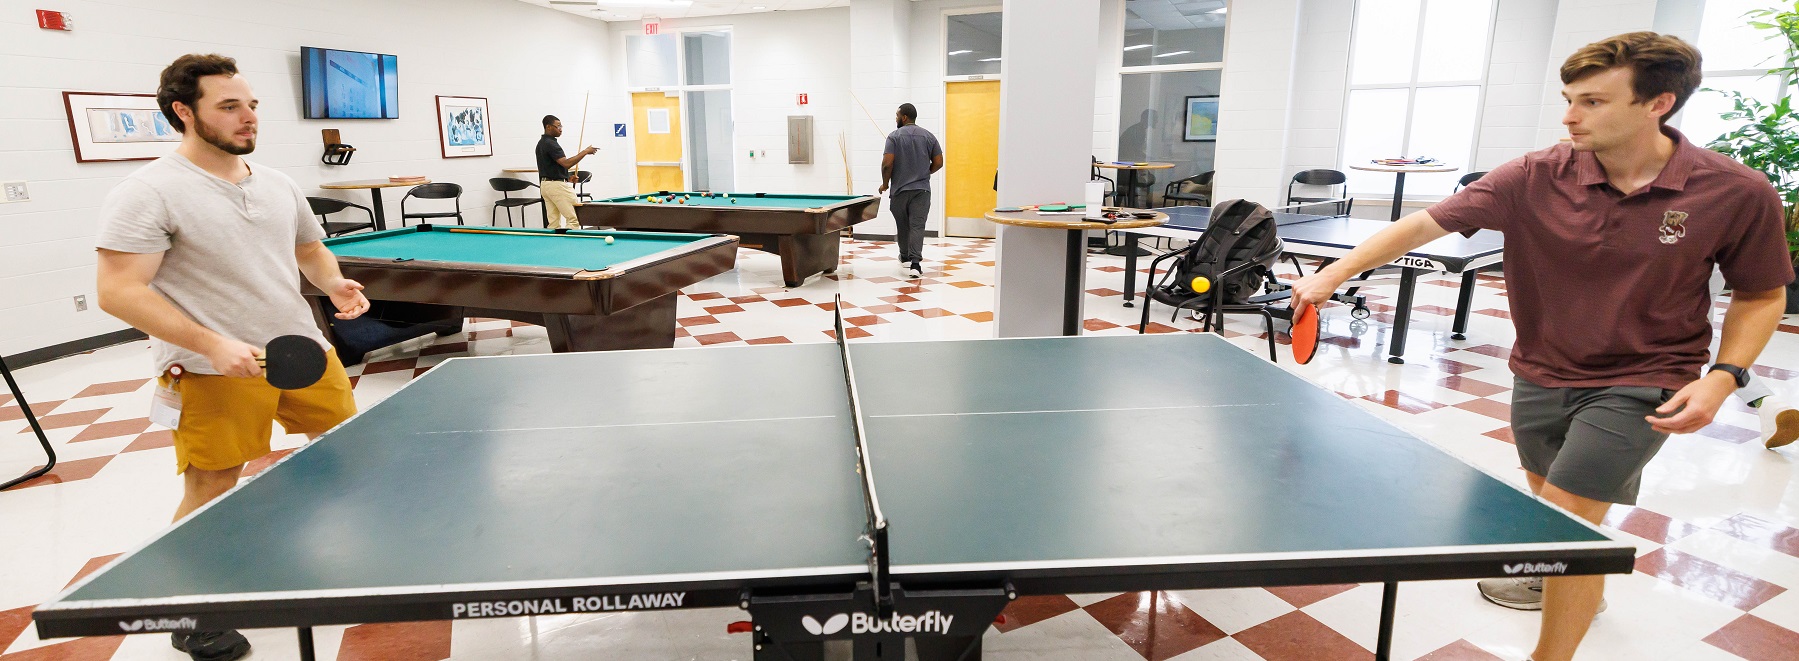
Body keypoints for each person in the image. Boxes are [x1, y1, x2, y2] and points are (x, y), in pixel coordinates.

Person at [1291, 33, 1793, 661]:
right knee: (1556, 514)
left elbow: (1760, 294)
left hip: (1646, 375)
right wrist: (1332, 275)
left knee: (1561, 529)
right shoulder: (1533, 175)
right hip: (1541, 371)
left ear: (1657, 103)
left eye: (1592, 101)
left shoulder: (1734, 191)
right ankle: (1583, 585)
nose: (1569, 116)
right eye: (1568, 99)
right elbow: (1424, 224)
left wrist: (1723, 377)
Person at [94, 53, 370, 661]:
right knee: (214, 483)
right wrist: (211, 342)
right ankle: (192, 610)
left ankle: (325, 556)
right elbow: (118, 291)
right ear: (183, 112)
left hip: (304, 351)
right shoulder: (148, 192)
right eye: (229, 106)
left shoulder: (277, 182)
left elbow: (308, 248)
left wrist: (333, 283)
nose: (247, 118)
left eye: (251, 105)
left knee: (352, 453)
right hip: (210, 367)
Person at [879, 103, 943, 278]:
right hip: (921, 190)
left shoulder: (893, 137)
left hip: (900, 190)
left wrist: (885, 184)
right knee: (917, 225)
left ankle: (905, 255)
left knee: (903, 224)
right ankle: (915, 264)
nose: (896, 118)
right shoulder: (929, 137)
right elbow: (939, 162)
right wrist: (925, 172)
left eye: (897, 115)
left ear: (904, 117)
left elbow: (887, 164)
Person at [538, 115, 597, 230]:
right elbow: (566, 163)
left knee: (553, 223)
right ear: (548, 127)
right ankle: (573, 246)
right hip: (556, 186)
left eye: (561, 126)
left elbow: (550, 166)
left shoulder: (541, 143)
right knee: (574, 218)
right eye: (558, 126)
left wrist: (567, 177)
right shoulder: (551, 144)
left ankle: (555, 245)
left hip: (546, 185)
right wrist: (585, 152)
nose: (560, 129)